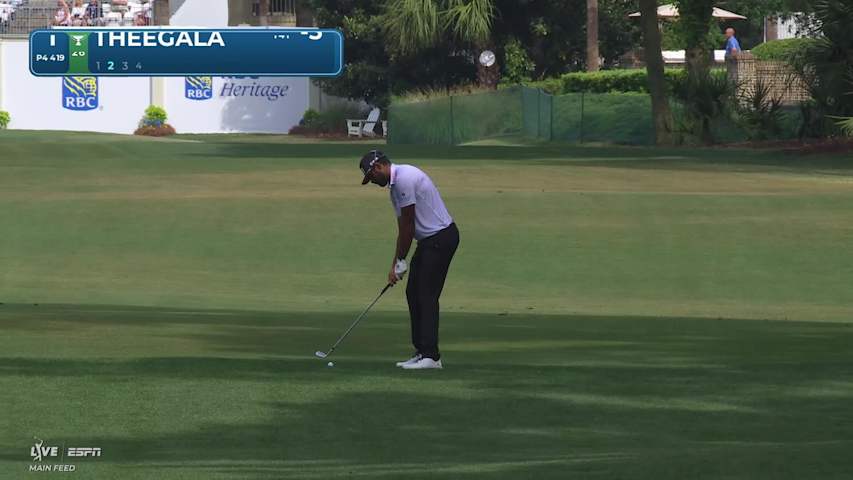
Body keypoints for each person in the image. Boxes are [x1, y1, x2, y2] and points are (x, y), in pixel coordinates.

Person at [359, 150, 460, 370]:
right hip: (429, 241)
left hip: (441, 237)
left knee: (426, 295)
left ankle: (431, 357)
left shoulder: (404, 178)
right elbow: (402, 229)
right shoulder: (394, 189)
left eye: (371, 176)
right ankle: (422, 351)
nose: (373, 182)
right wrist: (395, 264)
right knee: (413, 293)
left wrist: (401, 260)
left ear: (378, 167)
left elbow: (408, 226)